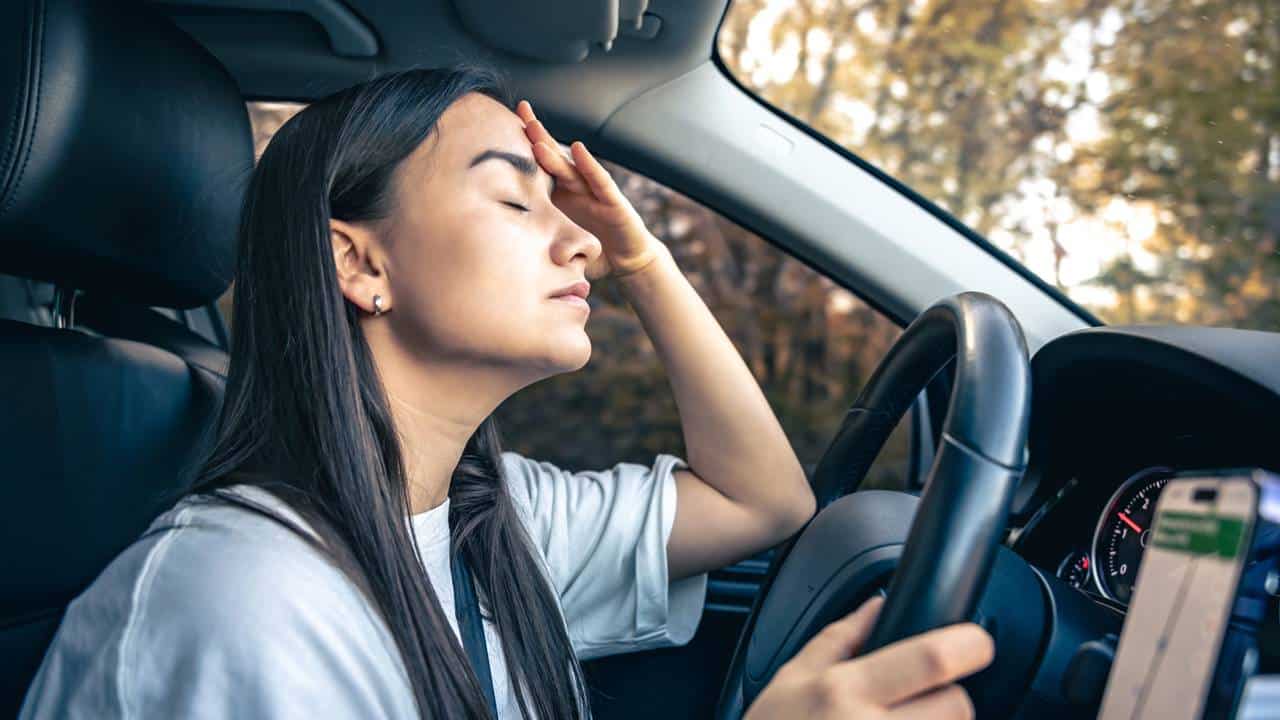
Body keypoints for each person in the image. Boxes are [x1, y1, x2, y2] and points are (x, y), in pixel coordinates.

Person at [18, 63, 993, 719]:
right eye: (514, 198)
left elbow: (763, 501)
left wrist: (644, 260)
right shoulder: (235, 607)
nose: (581, 242)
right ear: (360, 264)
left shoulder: (494, 522)